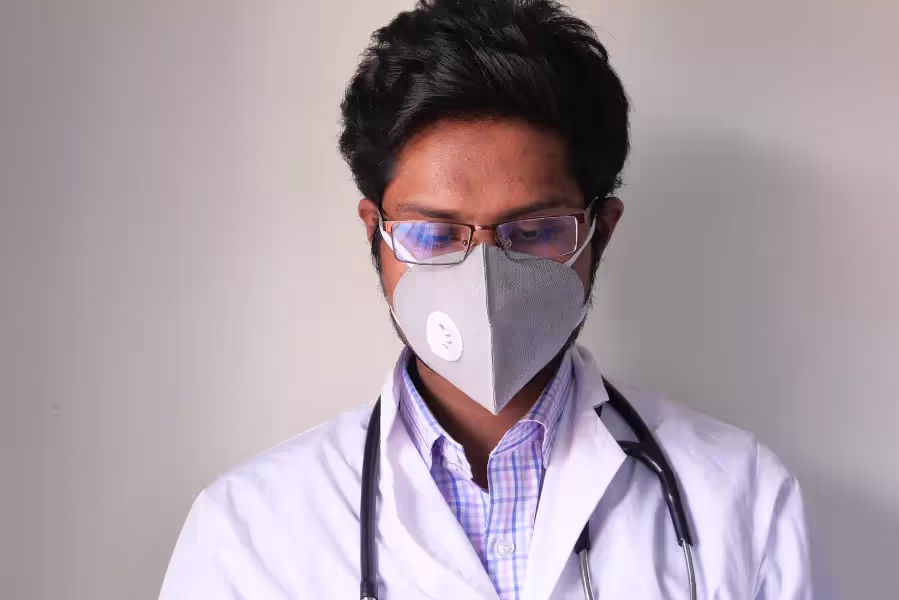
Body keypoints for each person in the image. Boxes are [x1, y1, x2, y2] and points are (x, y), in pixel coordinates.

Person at [159, 1, 831, 599]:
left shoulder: (741, 501)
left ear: (600, 232)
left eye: (532, 231)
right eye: (434, 233)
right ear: (376, 234)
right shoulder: (248, 532)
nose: (483, 276)